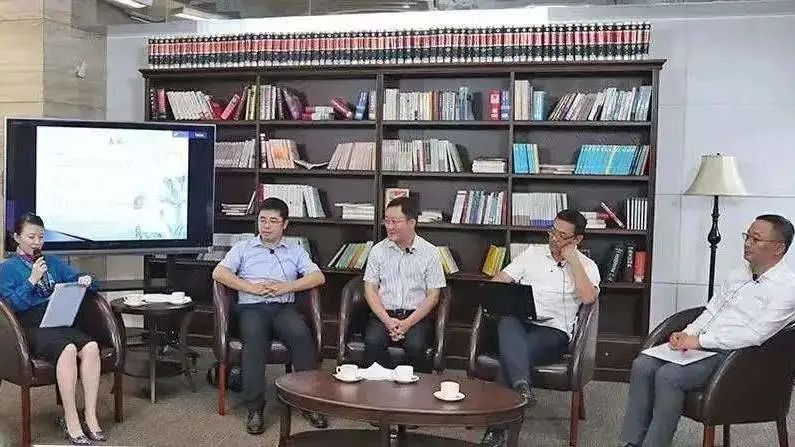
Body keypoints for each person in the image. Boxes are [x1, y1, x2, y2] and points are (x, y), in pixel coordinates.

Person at [620, 214, 795, 447]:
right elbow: (712, 310)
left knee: (669, 376)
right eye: (747, 236)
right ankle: (632, 443)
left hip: (738, 358)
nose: (747, 243)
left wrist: (700, 341)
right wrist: (688, 333)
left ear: (778, 248)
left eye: (756, 239)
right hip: (706, 344)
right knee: (642, 364)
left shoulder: (787, 288)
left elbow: (755, 335)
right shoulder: (740, 271)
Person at [480, 209, 600, 447]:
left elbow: (588, 298)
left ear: (577, 239)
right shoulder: (532, 254)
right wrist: (495, 292)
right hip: (520, 323)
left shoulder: (587, 265)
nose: (554, 239)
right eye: (553, 231)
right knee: (507, 322)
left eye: (562, 236)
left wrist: (573, 260)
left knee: (510, 357)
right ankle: (521, 387)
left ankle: (497, 430)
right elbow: (499, 282)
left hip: (553, 332)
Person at [211, 197, 328, 435]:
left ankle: (308, 402)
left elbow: (318, 277)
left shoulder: (295, 251)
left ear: (284, 224)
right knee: (255, 342)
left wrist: (287, 287)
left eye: (273, 221)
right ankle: (255, 408)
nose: (266, 226)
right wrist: (249, 287)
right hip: (251, 308)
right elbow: (219, 272)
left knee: (301, 335)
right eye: (262, 220)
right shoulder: (243, 248)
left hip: (283, 308)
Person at [0, 213, 105, 445]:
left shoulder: (53, 262)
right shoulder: (8, 268)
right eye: (31, 237)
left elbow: (82, 280)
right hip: (27, 327)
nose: (37, 242)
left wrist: (86, 279)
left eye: (41, 237)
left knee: (91, 347)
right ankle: (71, 419)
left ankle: (90, 415)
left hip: (58, 320)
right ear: (16, 237)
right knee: (68, 349)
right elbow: (9, 306)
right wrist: (32, 280)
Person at [362, 196, 446, 373]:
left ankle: (416, 390)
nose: (389, 226)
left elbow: (433, 295)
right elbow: (370, 289)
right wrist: (387, 320)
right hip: (383, 315)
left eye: (395, 221)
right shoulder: (378, 251)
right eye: (387, 221)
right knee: (373, 342)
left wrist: (407, 323)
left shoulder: (430, 252)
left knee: (416, 346)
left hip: (416, 317)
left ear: (412, 223)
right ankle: (380, 387)